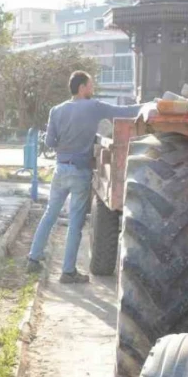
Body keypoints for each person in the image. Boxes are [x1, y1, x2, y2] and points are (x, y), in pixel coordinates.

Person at [27, 70, 142, 283]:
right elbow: (123, 111)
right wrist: (151, 105)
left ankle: (33, 258)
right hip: (80, 172)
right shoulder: (94, 107)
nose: (92, 88)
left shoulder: (56, 110)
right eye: (90, 85)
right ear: (82, 87)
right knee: (75, 223)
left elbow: (50, 143)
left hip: (60, 169)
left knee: (50, 214)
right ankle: (68, 271)